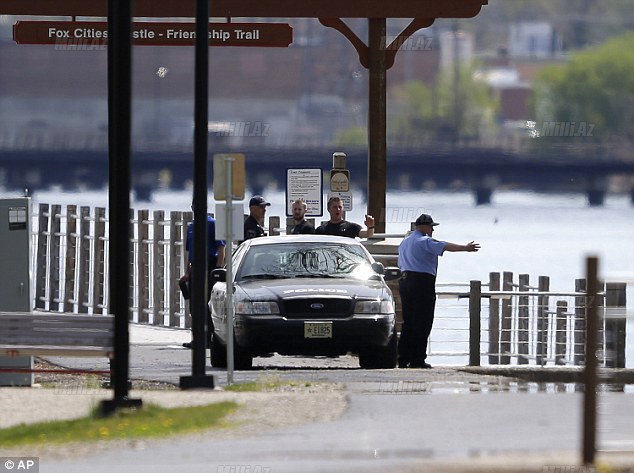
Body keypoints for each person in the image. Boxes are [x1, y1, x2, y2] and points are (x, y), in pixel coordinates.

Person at [397, 213, 480, 369]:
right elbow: (444, 246)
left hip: (405, 281)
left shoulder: (404, 242)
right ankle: (417, 359)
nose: (432, 230)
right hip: (421, 282)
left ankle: (403, 358)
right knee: (423, 321)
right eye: (431, 227)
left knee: (408, 322)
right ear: (424, 227)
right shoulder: (424, 240)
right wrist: (466, 248)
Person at [183, 208, 226, 349]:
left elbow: (221, 248)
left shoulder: (213, 223)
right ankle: (197, 338)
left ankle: (209, 338)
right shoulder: (191, 226)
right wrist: (188, 272)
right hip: (195, 267)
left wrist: (217, 271)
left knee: (208, 304)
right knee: (194, 305)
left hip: (209, 265)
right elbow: (190, 252)